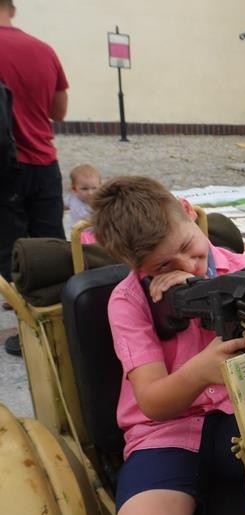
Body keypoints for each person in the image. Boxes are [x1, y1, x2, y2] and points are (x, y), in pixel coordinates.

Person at [90, 176, 245, 515]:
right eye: (163, 267)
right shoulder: (129, 301)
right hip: (164, 432)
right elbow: (152, 402)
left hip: (241, 413)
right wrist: (200, 371)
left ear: (189, 211)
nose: (188, 266)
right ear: (140, 270)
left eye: (187, 247)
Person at [0, 0, 68, 356]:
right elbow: (59, 111)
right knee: (51, 246)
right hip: (44, 161)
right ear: (12, 8)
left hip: (4, 165)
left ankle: (28, 332)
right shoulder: (43, 50)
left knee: (9, 250)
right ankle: (62, 327)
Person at [65, 163, 101, 230]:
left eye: (94, 188)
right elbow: (60, 207)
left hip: (93, 232)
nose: (90, 193)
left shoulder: (100, 201)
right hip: (76, 231)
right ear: (74, 189)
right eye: (84, 189)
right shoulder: (71, 198)